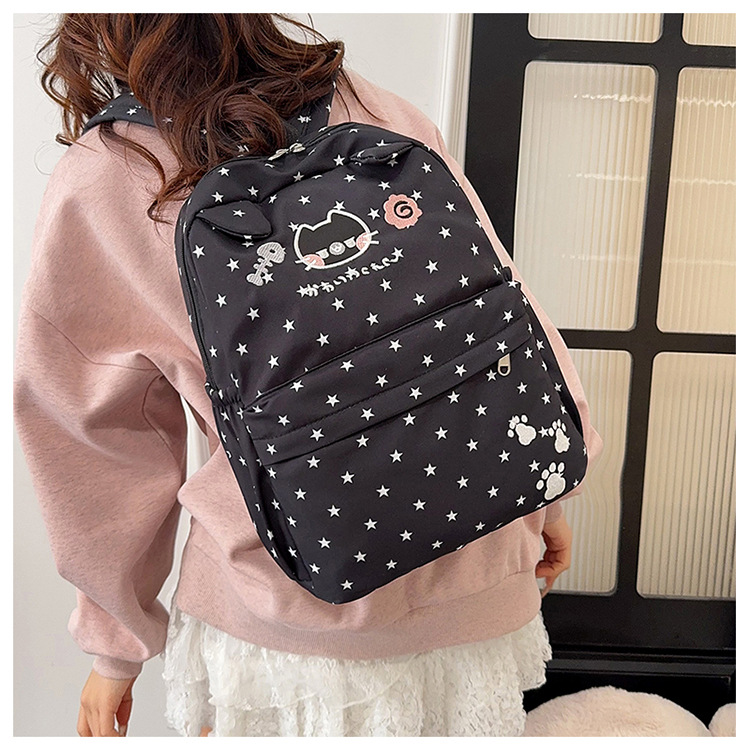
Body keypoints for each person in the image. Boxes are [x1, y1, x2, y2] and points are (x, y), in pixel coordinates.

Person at [13, 13, 602, 738]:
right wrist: (548, 497)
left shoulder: (110, 174)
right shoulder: (366, 104)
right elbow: (505, 310)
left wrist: (116, 642)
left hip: (287, 617)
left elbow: (93, 440)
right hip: (484, 571)